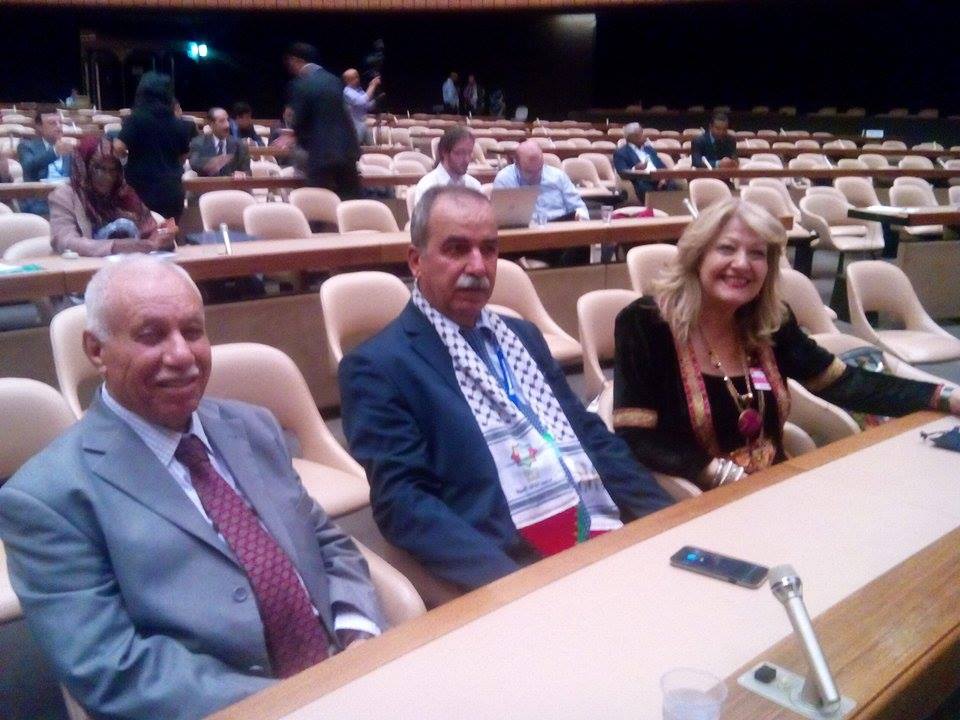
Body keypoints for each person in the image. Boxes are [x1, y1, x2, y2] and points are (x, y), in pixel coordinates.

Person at [0, 256, 384, 719]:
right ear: (96, 350)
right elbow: (111, 668)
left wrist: (358, 632)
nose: (181, 354)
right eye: (151, 335)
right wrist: (294, 703)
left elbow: (325, 542)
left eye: (193, 331)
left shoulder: (253, 427)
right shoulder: (47, 498)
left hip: (348, 677)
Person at [339, 186, 672, 591]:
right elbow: (404, 505)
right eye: (456, 249)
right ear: (416, 261)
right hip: (515, 562)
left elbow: (586, 434)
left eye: (489, 249)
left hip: (601, 523)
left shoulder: (522, 336)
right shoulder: (378, 367)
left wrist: (668, 519)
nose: (478, 266)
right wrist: (515, 589)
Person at [612, 199, 960, 491]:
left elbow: (843, 383)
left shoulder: (772, 321)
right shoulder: (646, 323)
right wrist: (722, 475)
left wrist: (942, 396)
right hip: (694, 497)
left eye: (757, 254)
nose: (742, 264)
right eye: (726, 248)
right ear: (697, 256)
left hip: (775, 486)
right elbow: (635, 435)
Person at [49, 135, 178, 256]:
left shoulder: (125, 195)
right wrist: (114, 246)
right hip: (86, 269)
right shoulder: (65, 196)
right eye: (99, 168)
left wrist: (163, 239)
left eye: (113, 170)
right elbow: (64, 241)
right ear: (83, 167)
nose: (107, 177)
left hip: (131, 266)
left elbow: (150, 235)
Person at [284, 42, 362, 199]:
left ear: (297, 60)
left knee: (321, 207)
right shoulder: (334, 80)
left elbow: (299, 122)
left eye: (290, 62)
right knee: (350, 203)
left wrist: (294, 136)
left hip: (321, 156)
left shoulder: (301, 84)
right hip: (348, 151)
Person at [116, 72, 193, 221]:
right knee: (169, 233)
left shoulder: (136, 118)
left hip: (140, 189)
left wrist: (129, 155)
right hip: (171, 190)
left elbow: (118, 147)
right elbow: (183, 157)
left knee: (144, 234)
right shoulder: (179, 124)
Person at [493, 139, 588, 223]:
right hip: (525, 234)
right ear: (516, 164)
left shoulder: (558, 176)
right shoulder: (504, 180)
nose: (536, 175)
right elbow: (500, 220)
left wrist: (580, 216)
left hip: (561, 231)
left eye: (539, 169)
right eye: (529, 172)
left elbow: (579, 207)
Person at [16, 108, 74, 216]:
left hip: (68, 199)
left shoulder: (69, 147)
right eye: (52, 123)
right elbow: (29, 167)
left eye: (60, 122)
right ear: (39, 127)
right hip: (40, 200)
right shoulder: (26, 146)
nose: (59, 127)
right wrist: (54, 152)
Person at [412, 125, 480, 206]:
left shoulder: (474, 185)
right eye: (460, 153)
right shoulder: (427, 186)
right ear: (444, 152)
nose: (467, 160)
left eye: (470, 152)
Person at [612, 122, 676, 202]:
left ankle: (672, 207)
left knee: (673, 184)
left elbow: (662, 166)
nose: (644, 136)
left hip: (658, 178)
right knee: (643, 185)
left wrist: (663, 178)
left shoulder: (649, 149)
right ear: (632, 137)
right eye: (641, 134)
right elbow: (622, 172)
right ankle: (653, 207)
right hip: (642, 180)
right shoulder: (621, 152)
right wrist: (635, 168)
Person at [189, 107, 251, 178]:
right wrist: (210, 163)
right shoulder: (198, 142)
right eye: (222, 121)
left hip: (232, 184)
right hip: (208, 184)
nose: (227, 125)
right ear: (211, 124)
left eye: (227, 120)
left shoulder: (240, 144)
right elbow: (194, 163)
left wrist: (243, 174)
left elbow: (248, 172)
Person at [342, 68, 381, 144]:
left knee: (372, 146)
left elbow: (368, 106)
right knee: (356, 146)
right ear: (347, 81)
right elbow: (361, 101)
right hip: (354, 125)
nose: (357, 79)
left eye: (357, 77)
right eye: (354, 78)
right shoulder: (347, 92)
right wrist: (372, 86)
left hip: (363, 123)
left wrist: (377, 99)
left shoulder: (359, 90)